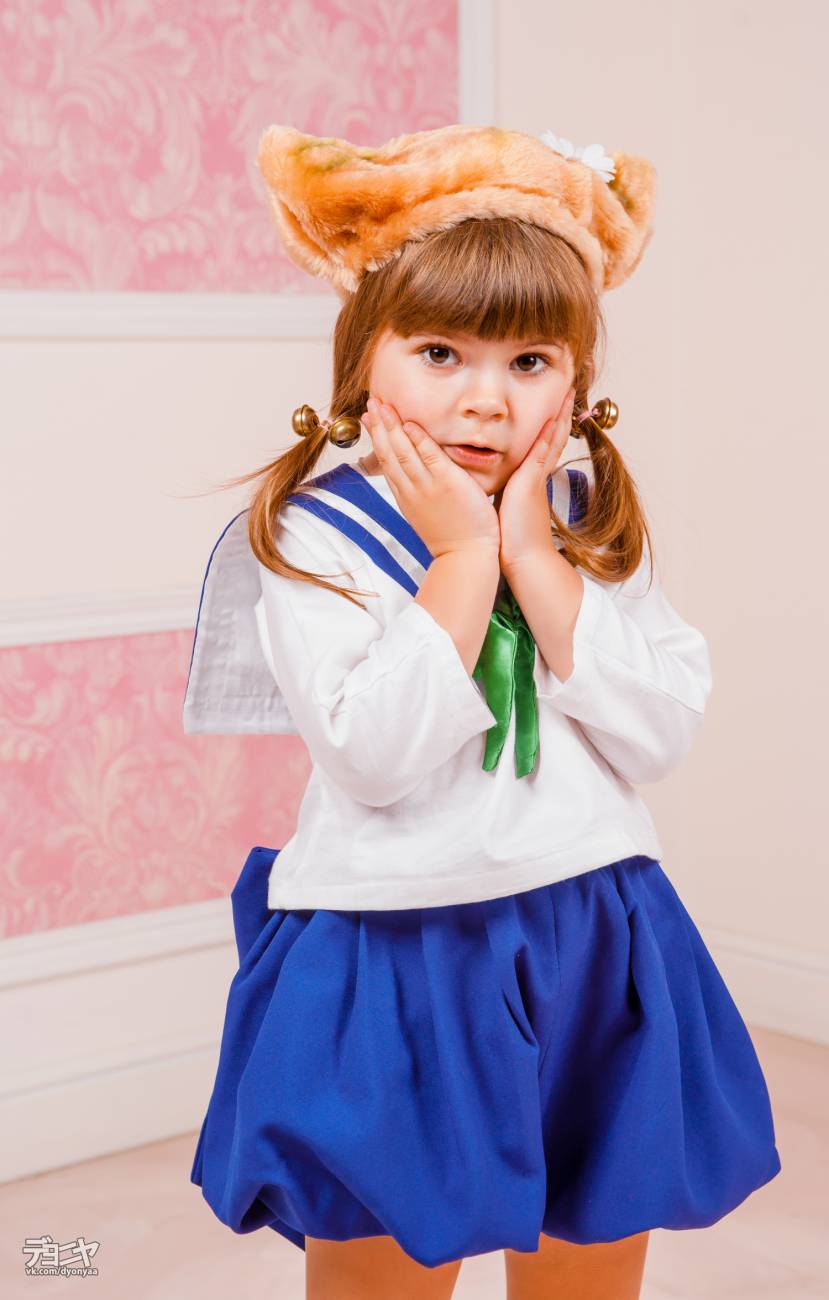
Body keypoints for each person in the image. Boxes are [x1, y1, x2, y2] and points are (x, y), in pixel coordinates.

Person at [185, 122, 781, 1299]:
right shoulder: (316, 531)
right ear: (364, 353)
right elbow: (374, 755)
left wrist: (536, 562)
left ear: (577, 380)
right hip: (399, 944)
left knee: (586, 1251)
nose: (484, 401)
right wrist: (462, 561)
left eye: (529, 361)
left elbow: (658, 730)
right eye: (440, 352)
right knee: (385, 1264)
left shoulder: (582, 513)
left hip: (592, 929)